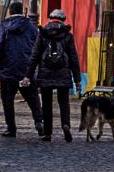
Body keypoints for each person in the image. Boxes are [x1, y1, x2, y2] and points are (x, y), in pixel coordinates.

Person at [23, 9, 81, 142]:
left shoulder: (43, 33)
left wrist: (28, 75)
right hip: (63, 74)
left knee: (47, 104)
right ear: (63, 19)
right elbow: (73, 58)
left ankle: (48, 133)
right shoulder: (67, 35)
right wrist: (77, 80)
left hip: (45, 74)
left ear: (50, 18)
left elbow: (34, 56)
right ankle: (65, 124)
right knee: (64, 102)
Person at [0, 1, 43, 138]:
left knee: (7, 100)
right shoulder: (32, 27)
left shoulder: (4, 26)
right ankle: (39, 122)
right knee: (32, 98)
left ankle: (11, 128)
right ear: (23, 11)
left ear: (10, 12)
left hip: (8, 70)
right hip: (26, 70)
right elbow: (38, 47)